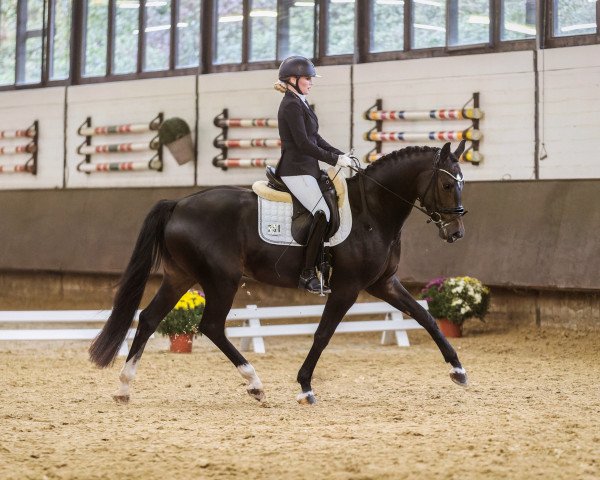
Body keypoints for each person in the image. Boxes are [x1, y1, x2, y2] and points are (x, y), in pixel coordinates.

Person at [274, 55, 353, 294]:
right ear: (293, 79)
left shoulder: (301, 102)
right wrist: (333, 159)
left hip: (307, 169)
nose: (311, 82)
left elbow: (315, 138)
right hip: (294, 169)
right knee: (322, 212)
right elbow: (303, 144)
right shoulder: (290, 105)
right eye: (308, 78)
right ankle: (307, 273)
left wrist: (340, 154)